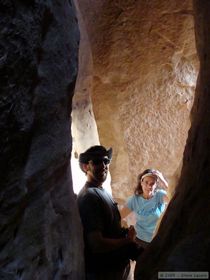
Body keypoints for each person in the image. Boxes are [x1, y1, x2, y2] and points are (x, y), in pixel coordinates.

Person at [77, 145, 143, 280]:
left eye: (105, 161)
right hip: (106, 273)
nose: (103, 165)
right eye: (96, 162)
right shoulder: (89, 197)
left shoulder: (100, 191)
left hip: (116, 269)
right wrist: (127, 240)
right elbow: (97, 244)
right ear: (85, 167)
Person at [120, 169, 169, 249]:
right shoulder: (134, 200)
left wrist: (163, 181)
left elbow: (175, 196)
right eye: (146, 182)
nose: (149, 186)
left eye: (152, 183)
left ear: (156, 185)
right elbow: (119, 216)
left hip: (157, 240)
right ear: (141, 182)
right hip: (139, 240)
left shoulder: (160, 196)